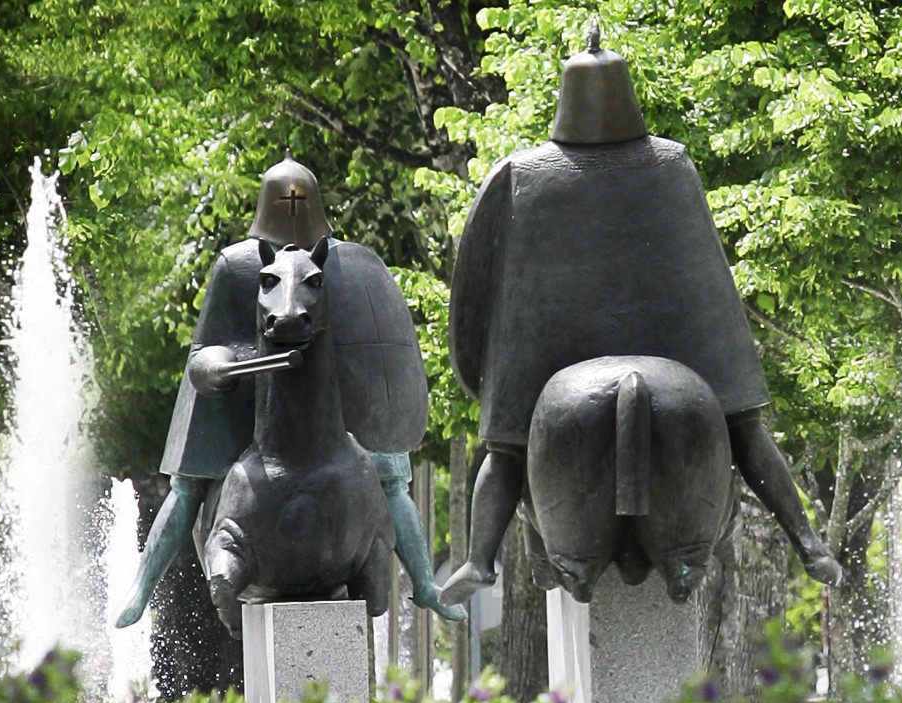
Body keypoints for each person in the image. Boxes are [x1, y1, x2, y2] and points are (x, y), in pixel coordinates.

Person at [439, 25, 841, 606]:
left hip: (547, 351)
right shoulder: (673, 164)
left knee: (506, 445)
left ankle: (479, 559)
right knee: (746, 425)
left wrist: (486, 379)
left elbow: (472, 289)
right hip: (677, 340)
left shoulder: (521, 173)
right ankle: (807, 542)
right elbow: (705, 277)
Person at [116, 152, 466, 627]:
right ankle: (142, 588)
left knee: (389, 472)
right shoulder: (238, 265)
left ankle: (424, 584)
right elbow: (208, 345)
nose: (292, 210)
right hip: (247, 392)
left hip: (336, 403)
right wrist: (215, 368)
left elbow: (372, 343)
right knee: (186, 485)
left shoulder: (354, 265)